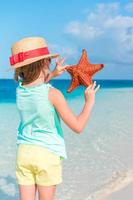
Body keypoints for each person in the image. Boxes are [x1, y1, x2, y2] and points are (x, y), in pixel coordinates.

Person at [9, 37, 100, 200]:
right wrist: (89, 102)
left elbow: (36, 87)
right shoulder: (53, 94)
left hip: (24, 153)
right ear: (44, 63)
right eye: (49, 62)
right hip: (46, 154)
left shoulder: (20, 91)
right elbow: (78, 126)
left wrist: (53, 74)